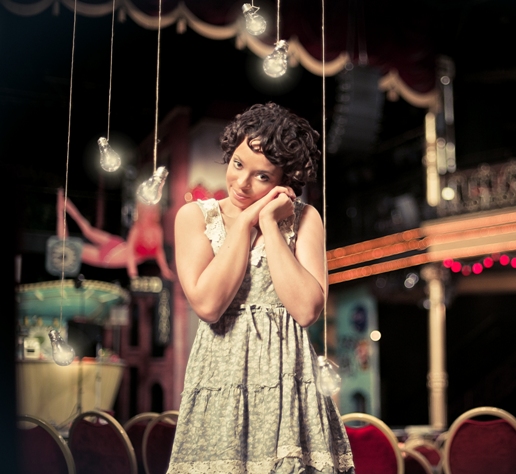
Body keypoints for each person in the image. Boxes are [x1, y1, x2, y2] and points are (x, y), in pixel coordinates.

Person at [167, 103, 354, 473]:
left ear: (285, 180)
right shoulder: (194, 217)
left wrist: (268, 223)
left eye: (262, 176)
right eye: (238, 164)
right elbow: (208, 305)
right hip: (221, 381)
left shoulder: (305, 218)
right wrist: (245, 222)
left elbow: (306, 309)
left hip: (287, 381)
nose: (242, 182)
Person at [57, 189, 175, 281]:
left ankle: (63, 206)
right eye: (147, 211)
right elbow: (130, 251)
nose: (149, 213)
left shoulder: (156, 229)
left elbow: (158, 251)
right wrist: (133, 273)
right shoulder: (138, 228)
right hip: (114, 252)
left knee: (73, 244)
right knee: (73, 243)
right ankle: (63, 206)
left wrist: (164, 269)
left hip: (113, 253)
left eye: (152, 211)